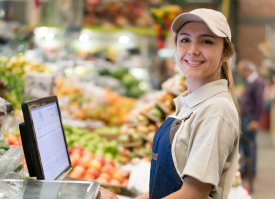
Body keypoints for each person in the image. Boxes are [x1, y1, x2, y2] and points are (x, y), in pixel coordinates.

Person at [101, 8, 240, 199]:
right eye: (185, 40)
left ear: (226, 53)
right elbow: (167, 191)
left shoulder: (215, 110)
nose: (192, 50)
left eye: (206, 41)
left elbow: (192, 194)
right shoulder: (189, 104)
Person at [237, 59, 265, 177]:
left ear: (247, 70)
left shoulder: (256, 82)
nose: (241, 74)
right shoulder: (250, 81)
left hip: (250, 117)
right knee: (245, 144)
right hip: (246, 116)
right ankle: (246, 169)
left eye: (241, 71)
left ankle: (250, 171)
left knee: (249, 144)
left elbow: (260, 102)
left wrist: (256, 120)